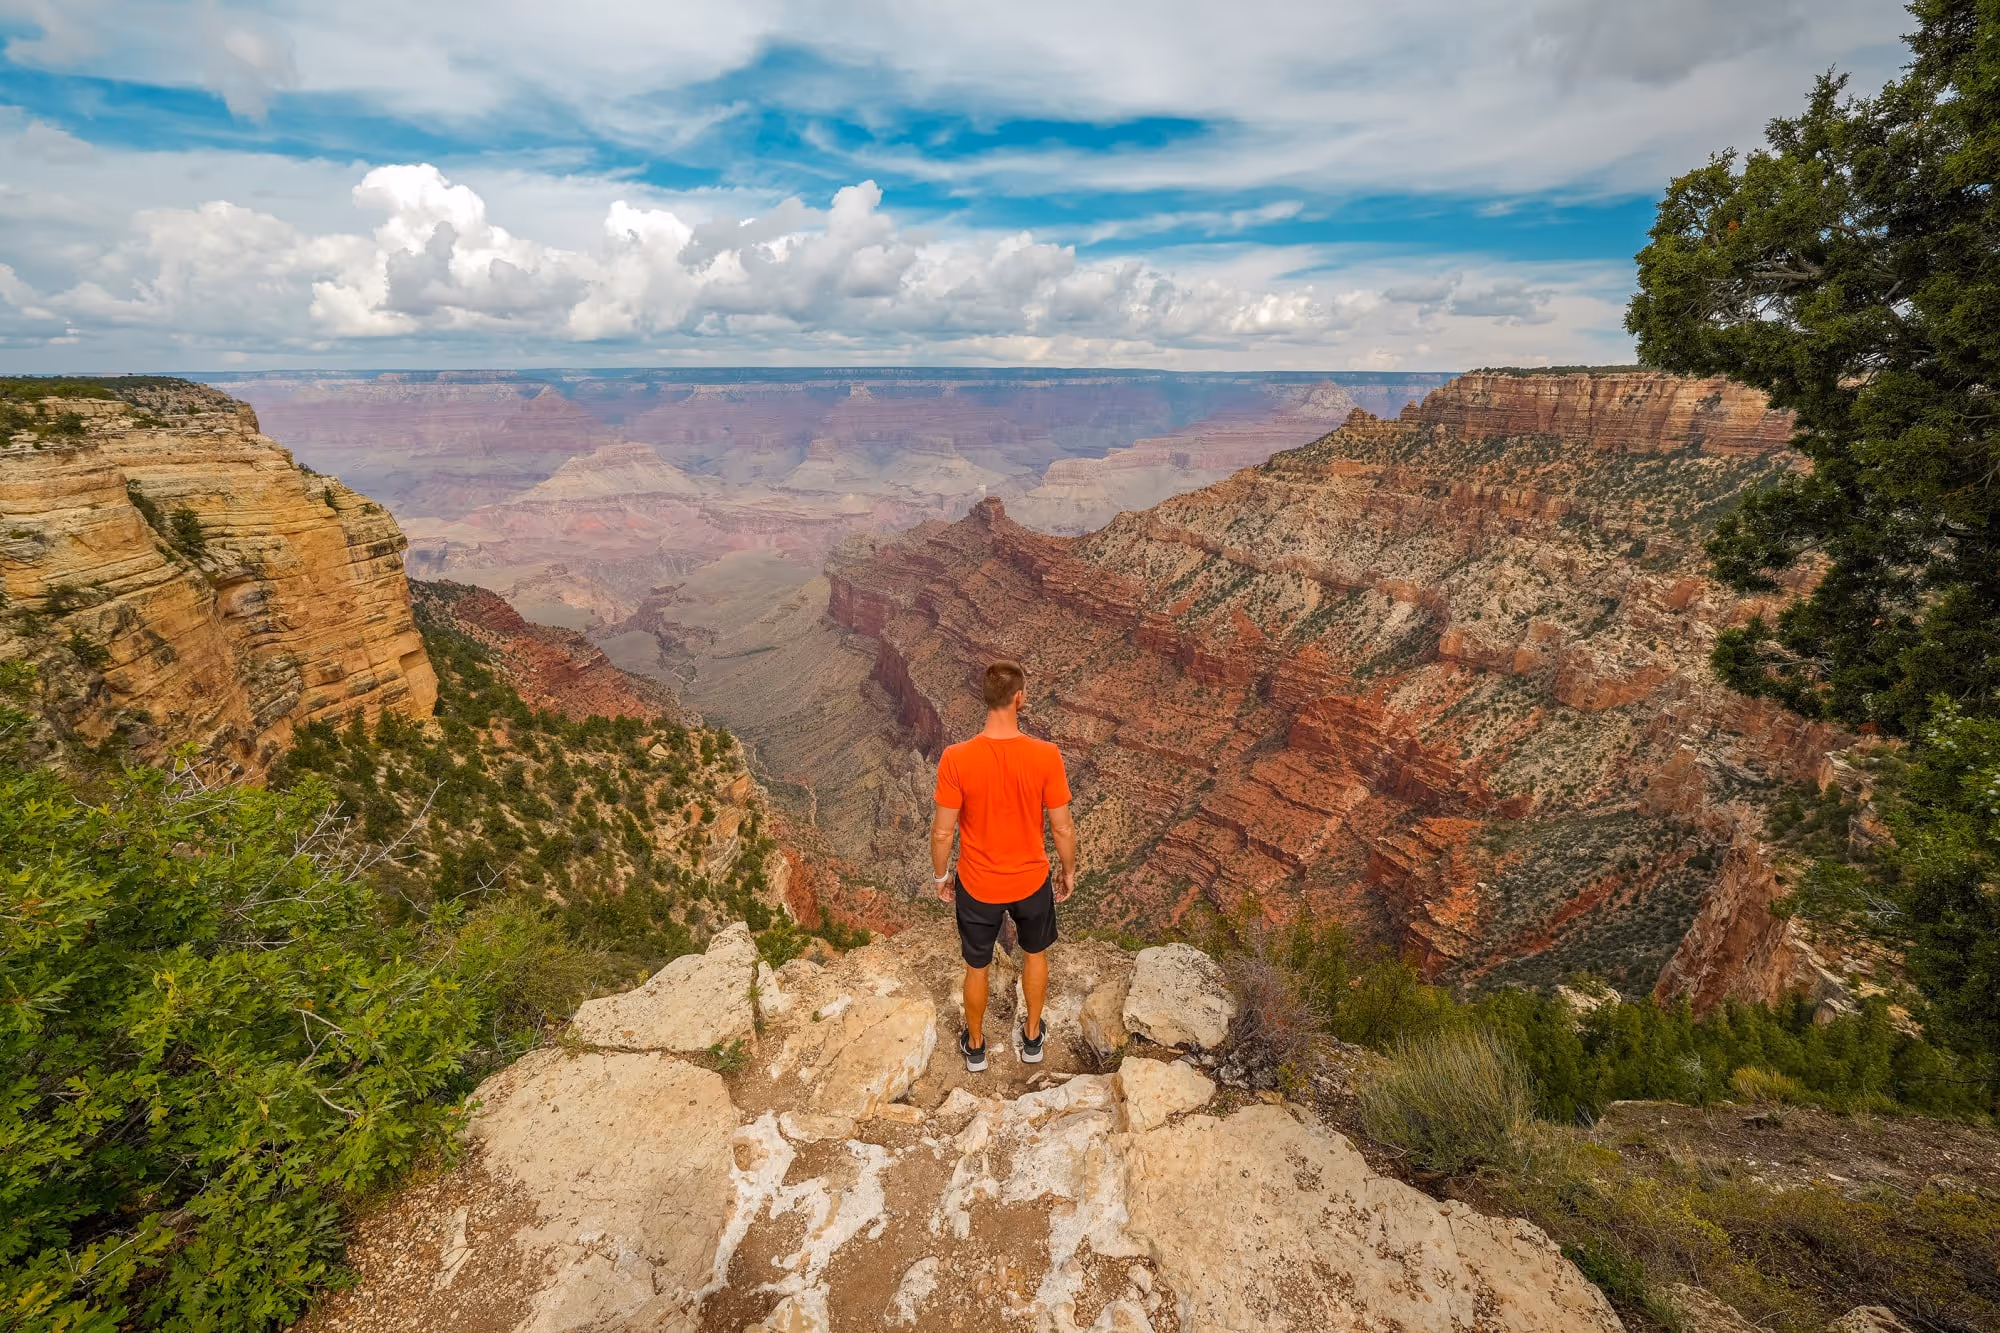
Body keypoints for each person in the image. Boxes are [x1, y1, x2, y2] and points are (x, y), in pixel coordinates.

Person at [930, 659, 1076, 1071]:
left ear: (985, 698)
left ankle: (975, 1047)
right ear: (1019, 698)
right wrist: (1067, 872)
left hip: (976, 884)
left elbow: (943, 833)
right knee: (1035, 955)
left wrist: (942, 878)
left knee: (977, 966)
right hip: (1032, 881)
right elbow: (1062, 828)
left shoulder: (956, 758)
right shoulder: (1046, 755)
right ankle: (1032, 1038)